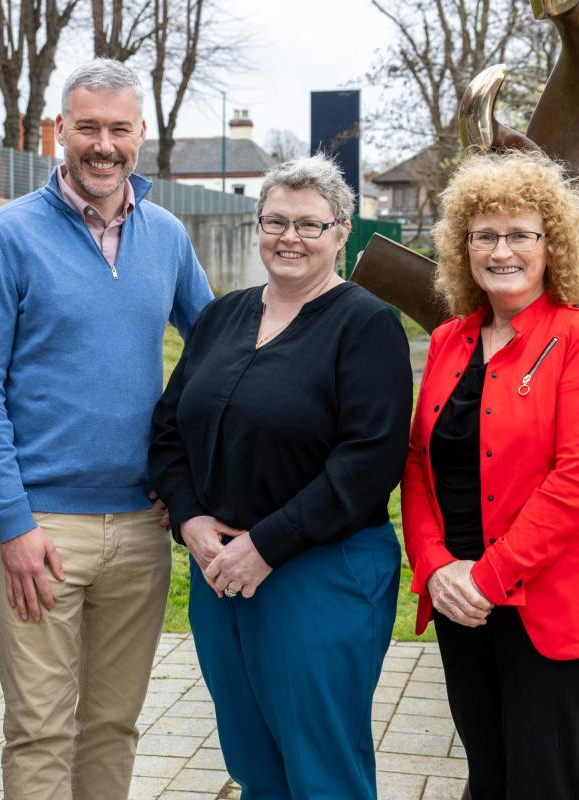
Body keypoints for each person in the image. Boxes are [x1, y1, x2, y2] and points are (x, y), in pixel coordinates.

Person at [0, 59, 213, 800]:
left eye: (118, 129)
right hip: (43, 530)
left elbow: (217, 355)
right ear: (59, 133)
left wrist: (186, 480)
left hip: (140, 526)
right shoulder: (9, 237)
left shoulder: (166, 235)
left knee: (112, 726)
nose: (104, 145)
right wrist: (15, 521)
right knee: (39, 730)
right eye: (87, 128)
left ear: (140, 135)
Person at [148, 154, 412, 800]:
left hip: (321, 572)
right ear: (257, 226)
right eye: (275, 221)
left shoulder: (367, 324)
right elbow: (167, 429)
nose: (288, 237)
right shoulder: (221, 316)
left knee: (321, 764)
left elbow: (368, 462)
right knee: (251, 754)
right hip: (218, 572)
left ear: (341, 232)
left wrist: (264, 546)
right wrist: (191, 520)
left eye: (309, 225)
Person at [401, 150, 579, 799]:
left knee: (542, 785)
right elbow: (418, 461)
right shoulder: (449, 340)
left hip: (548, 606)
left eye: (520, 234)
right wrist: (436, 565)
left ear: (550, 244)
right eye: (485, 235)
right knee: (487, 778)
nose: (502, 250)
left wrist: (486, 578)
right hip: (458, 603)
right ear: (463, 247)